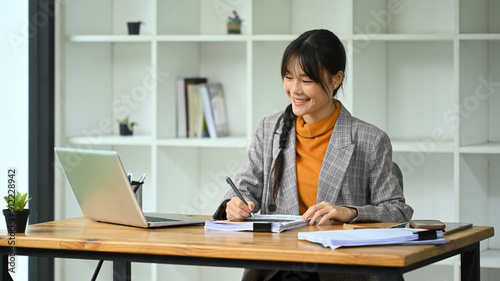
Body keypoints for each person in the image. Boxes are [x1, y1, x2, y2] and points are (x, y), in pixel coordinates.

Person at [213, 29, 414, 281]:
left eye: (306, 80)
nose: (294, 89)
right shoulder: (269, 129)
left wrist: (350, 212)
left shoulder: (370, 140)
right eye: (288, 77)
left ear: (336, 78)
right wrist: (232, 206)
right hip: (276, 265)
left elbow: (398, 212)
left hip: (339, 269)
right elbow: (244, 187)